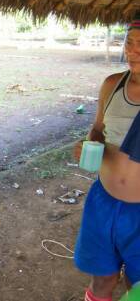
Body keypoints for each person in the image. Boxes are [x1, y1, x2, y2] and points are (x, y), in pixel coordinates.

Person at [73, 15, 140, 301]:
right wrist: (88, 145)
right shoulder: (112, 85)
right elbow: (98, 130)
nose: (132, 51)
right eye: (130, 43)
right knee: (102, 280)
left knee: (136, 288)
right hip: (104, 202)